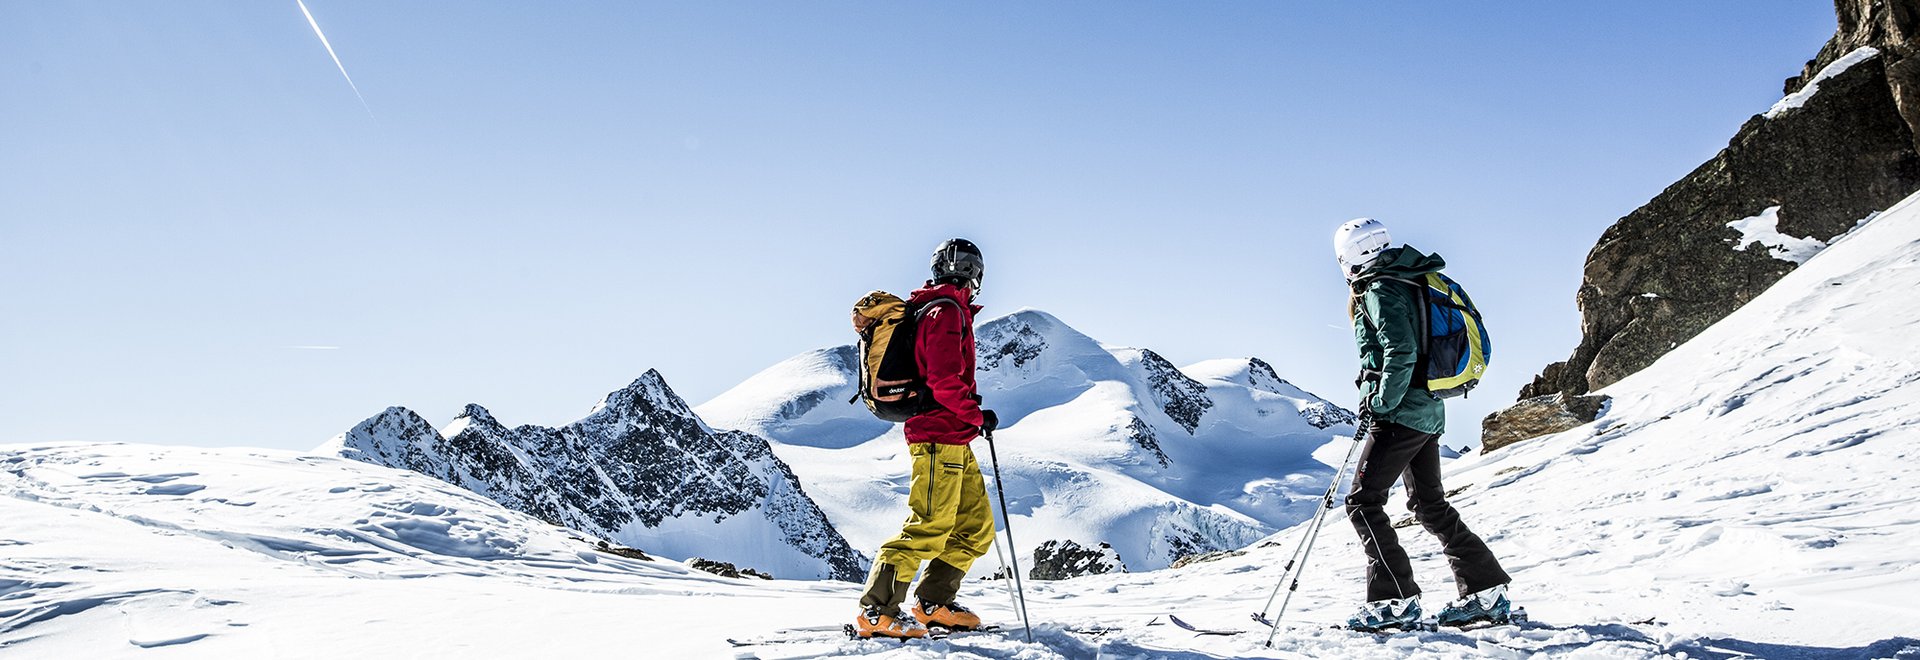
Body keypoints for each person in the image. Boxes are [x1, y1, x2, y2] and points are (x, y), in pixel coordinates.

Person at [1335, 218, 1514, 631]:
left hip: (1401, 413)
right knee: (1429, 504)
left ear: (1349, 257)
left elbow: (1400, 352)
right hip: (1429, 411)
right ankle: (1486, 592)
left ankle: (1394, 602)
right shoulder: (1413, 277)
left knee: (1362, 502)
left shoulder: (1381, 288)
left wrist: (1380, 402)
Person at [852, 238, 1001, 639]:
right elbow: (944, 380)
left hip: (953, 436)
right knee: (929, 524)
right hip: (939, 436)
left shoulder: (937, 308)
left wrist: (969, 419)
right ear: (975, 273)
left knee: (975, 526)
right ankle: (876, 611)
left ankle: (934, 603)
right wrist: (976, 413)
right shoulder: (944, 312)